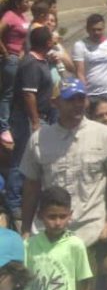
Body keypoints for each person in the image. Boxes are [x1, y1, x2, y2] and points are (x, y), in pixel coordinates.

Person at [20, 78, 107, 252]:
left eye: (81, 98)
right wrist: (26, 230)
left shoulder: (106, 136)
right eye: (70, 100)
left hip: (91, 233)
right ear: (55, 103)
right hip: (49, 237)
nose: (77, 104)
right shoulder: (39, 139)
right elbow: (31, 187)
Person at [25, 186, 93, 290]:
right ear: (40, 215)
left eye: (63, 217)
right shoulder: (29, 245)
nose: (57, 222)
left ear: (70, 215)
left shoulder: (75, 245)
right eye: (52, 217)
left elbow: (84, 288)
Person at [5, 25, 54, 212]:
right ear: (47, 42)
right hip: (27, 118)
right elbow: (28, 94)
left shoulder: (41, 61)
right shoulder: (31, 64)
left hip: (39, 116)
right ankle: (14, 202)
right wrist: (35, 122)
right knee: (22, 158)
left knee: (35, 160)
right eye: (52, 38)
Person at [72, 14, 107, 109]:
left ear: (104, 29)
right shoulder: (80, 46)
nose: (96, 32)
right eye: (93, 30)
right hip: (90, 94)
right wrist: (84, 93)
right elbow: (80, 72)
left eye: (99, 29)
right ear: (87, 29)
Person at [0, 0, 30, 148]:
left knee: (17, 93)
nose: (29, 4)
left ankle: (11, 122)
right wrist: (6, 53)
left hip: (20, 59)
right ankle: (3, 127)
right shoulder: (9, 16)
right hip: (11, 59)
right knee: (8, 94)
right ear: (18, 3)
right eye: (26, 1)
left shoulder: (21, 16)